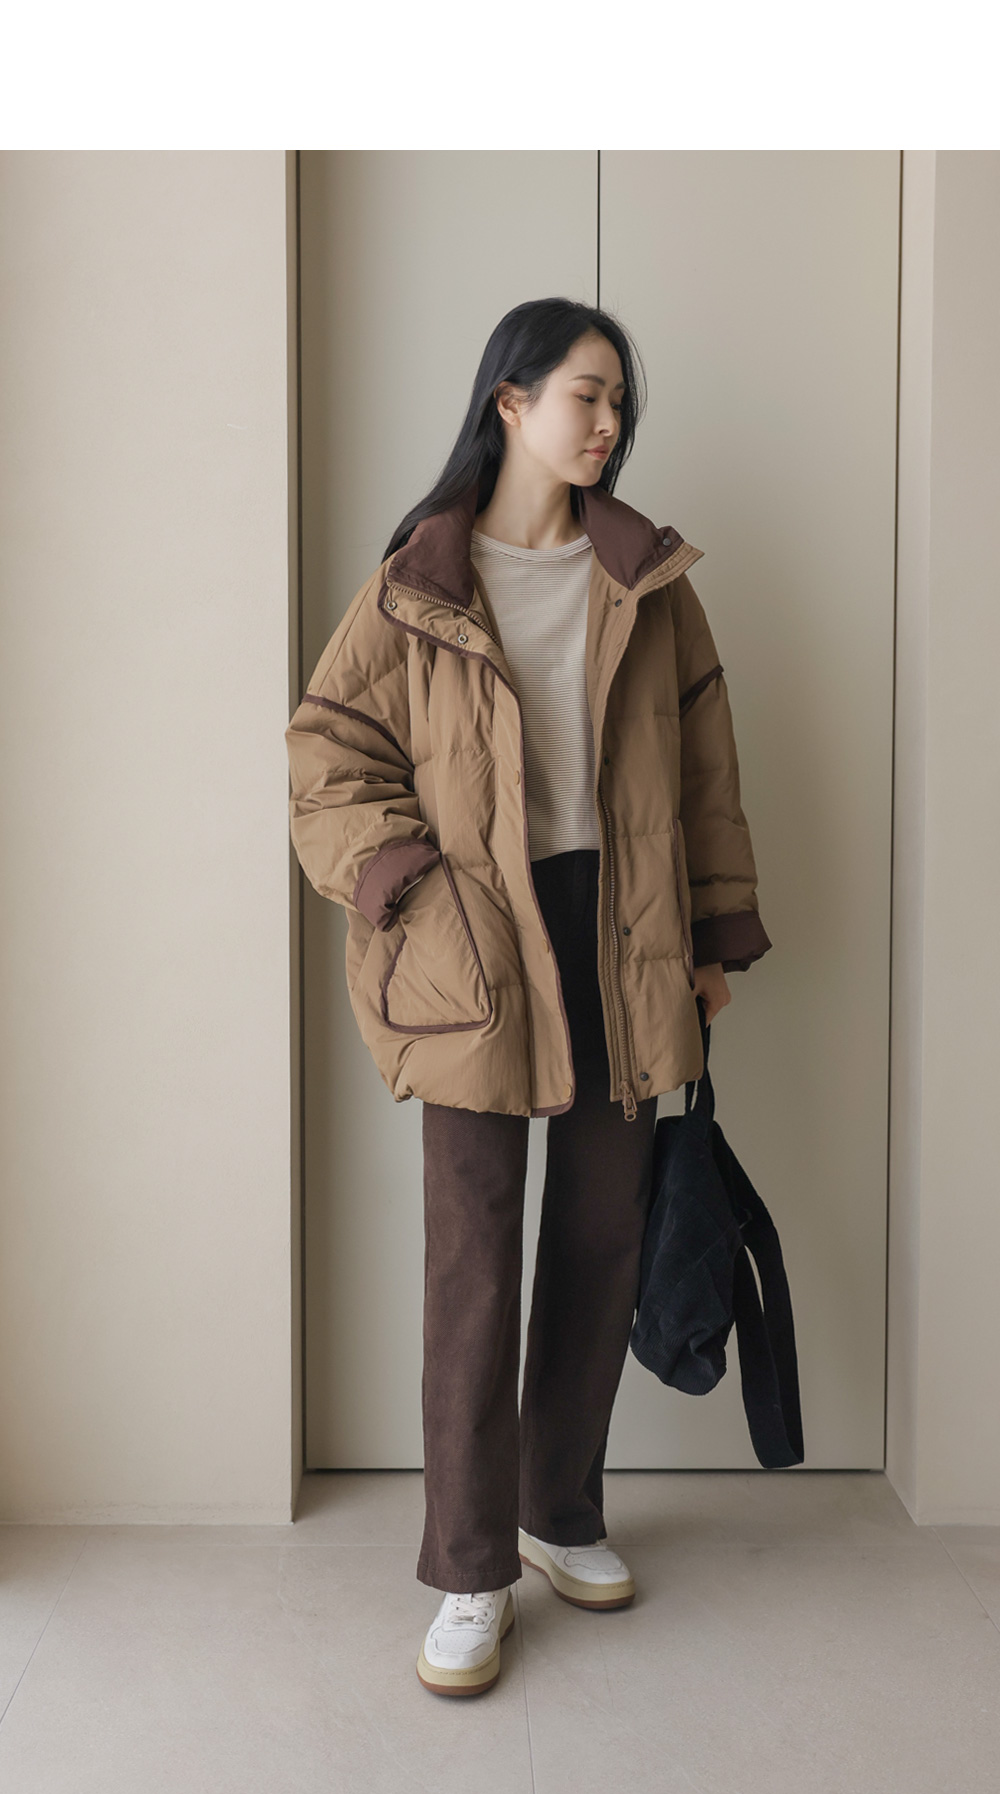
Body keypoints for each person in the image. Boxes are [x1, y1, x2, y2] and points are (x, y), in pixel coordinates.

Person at [285, 297, 772, 1698]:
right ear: (510, 400)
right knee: (473, 1260)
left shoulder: (649, 579)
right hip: (475, 943)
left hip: (623, 931)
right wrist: (410, 889)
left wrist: (708, 941)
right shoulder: (418, 581)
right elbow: (327, 753)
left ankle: (559, 1510)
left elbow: (707, 774)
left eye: (620, 401)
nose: (608, 422)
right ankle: (468, 1566)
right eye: (585, 394)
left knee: (602, 1240)